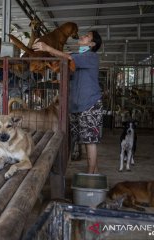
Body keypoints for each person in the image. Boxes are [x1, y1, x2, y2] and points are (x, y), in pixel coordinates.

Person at [32, 30, 103, 174]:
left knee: (89, 141)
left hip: (89, 104)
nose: (82, 36)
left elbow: (68, 57)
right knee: (81, 139)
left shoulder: (91, 56)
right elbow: (67, 66)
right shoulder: (78, 58)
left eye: (86, 36)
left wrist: (48, 48)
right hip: (76, 106)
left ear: (92, 44)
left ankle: (90, 176)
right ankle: (93, 173)